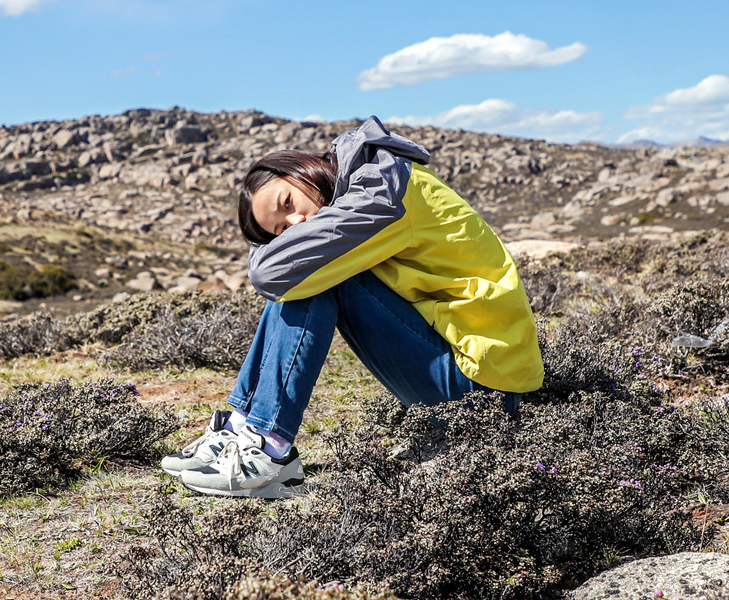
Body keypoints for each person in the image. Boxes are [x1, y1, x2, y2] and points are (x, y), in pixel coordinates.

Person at [163, 117, 545, 497]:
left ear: (297, 168)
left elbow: (269, 273)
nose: (297, 221)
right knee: (308, 269)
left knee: (314, 275)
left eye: (288, 202)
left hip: (482, 389)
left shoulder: (382, 194)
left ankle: (268, 446)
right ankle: (239, 428)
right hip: (467, 373)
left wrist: (276, 248)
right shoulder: (365, 184)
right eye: (282, 229)